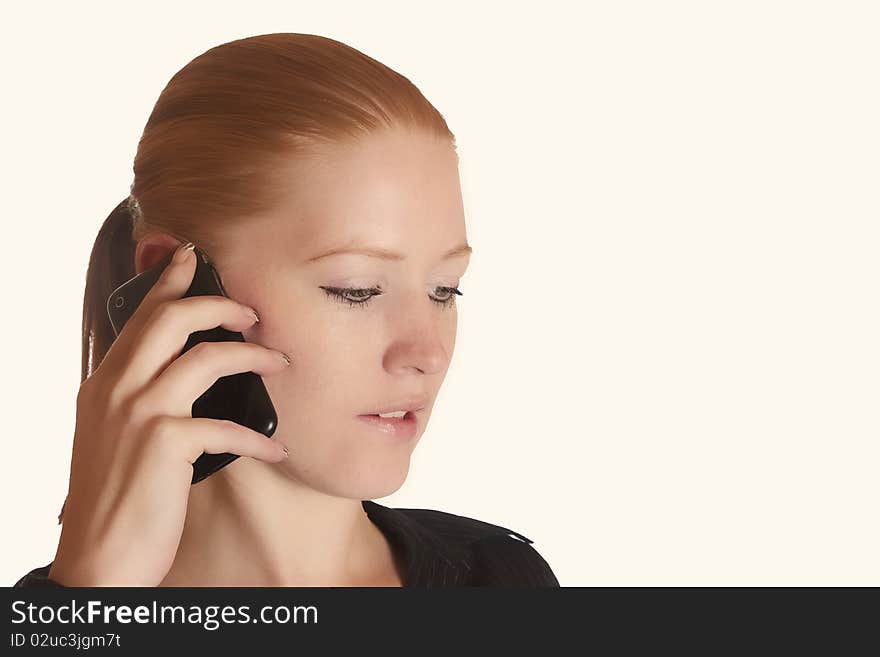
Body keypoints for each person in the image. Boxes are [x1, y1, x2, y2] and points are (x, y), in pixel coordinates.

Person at [14, 32, 559, 588]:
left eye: (445, 289)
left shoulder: (501, 579)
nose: (428, 353)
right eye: (358, 290)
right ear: (175, 280)